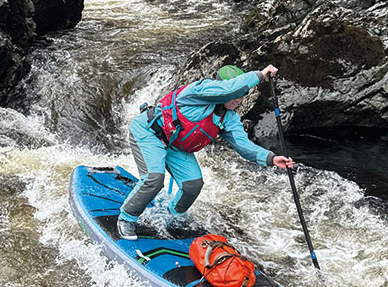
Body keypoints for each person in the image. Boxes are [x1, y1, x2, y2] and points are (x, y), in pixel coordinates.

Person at [117, 64, 295, 238]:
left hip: (176, 146)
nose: (238, 99)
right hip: (150, 133)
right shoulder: (197, 91)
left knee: (192, 185)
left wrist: (271, 158)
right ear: (219, 88)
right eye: (236, 94)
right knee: (154, 179)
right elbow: (228, 90)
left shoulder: (229, 117)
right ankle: (126, 218)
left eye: (242, 95)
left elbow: (244, 146)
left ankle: (172, 217)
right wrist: (260, 75)